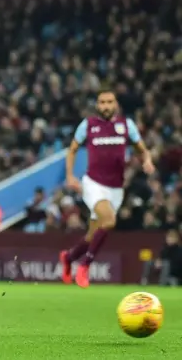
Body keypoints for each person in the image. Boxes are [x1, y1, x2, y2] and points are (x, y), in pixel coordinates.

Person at [60, 88, 154, 288]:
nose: (105, 106)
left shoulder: (127, 125)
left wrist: (146, 161)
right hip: (93, 184)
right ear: (97, 105)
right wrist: (70, 175)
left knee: (93, 234)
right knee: (109, 220)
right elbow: (72, 150)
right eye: (102, 102)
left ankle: (68, 257)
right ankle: (85, 265)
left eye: (109, 102)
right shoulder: (88, 125)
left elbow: (142, 149)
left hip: (116, 188)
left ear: (116, 104)